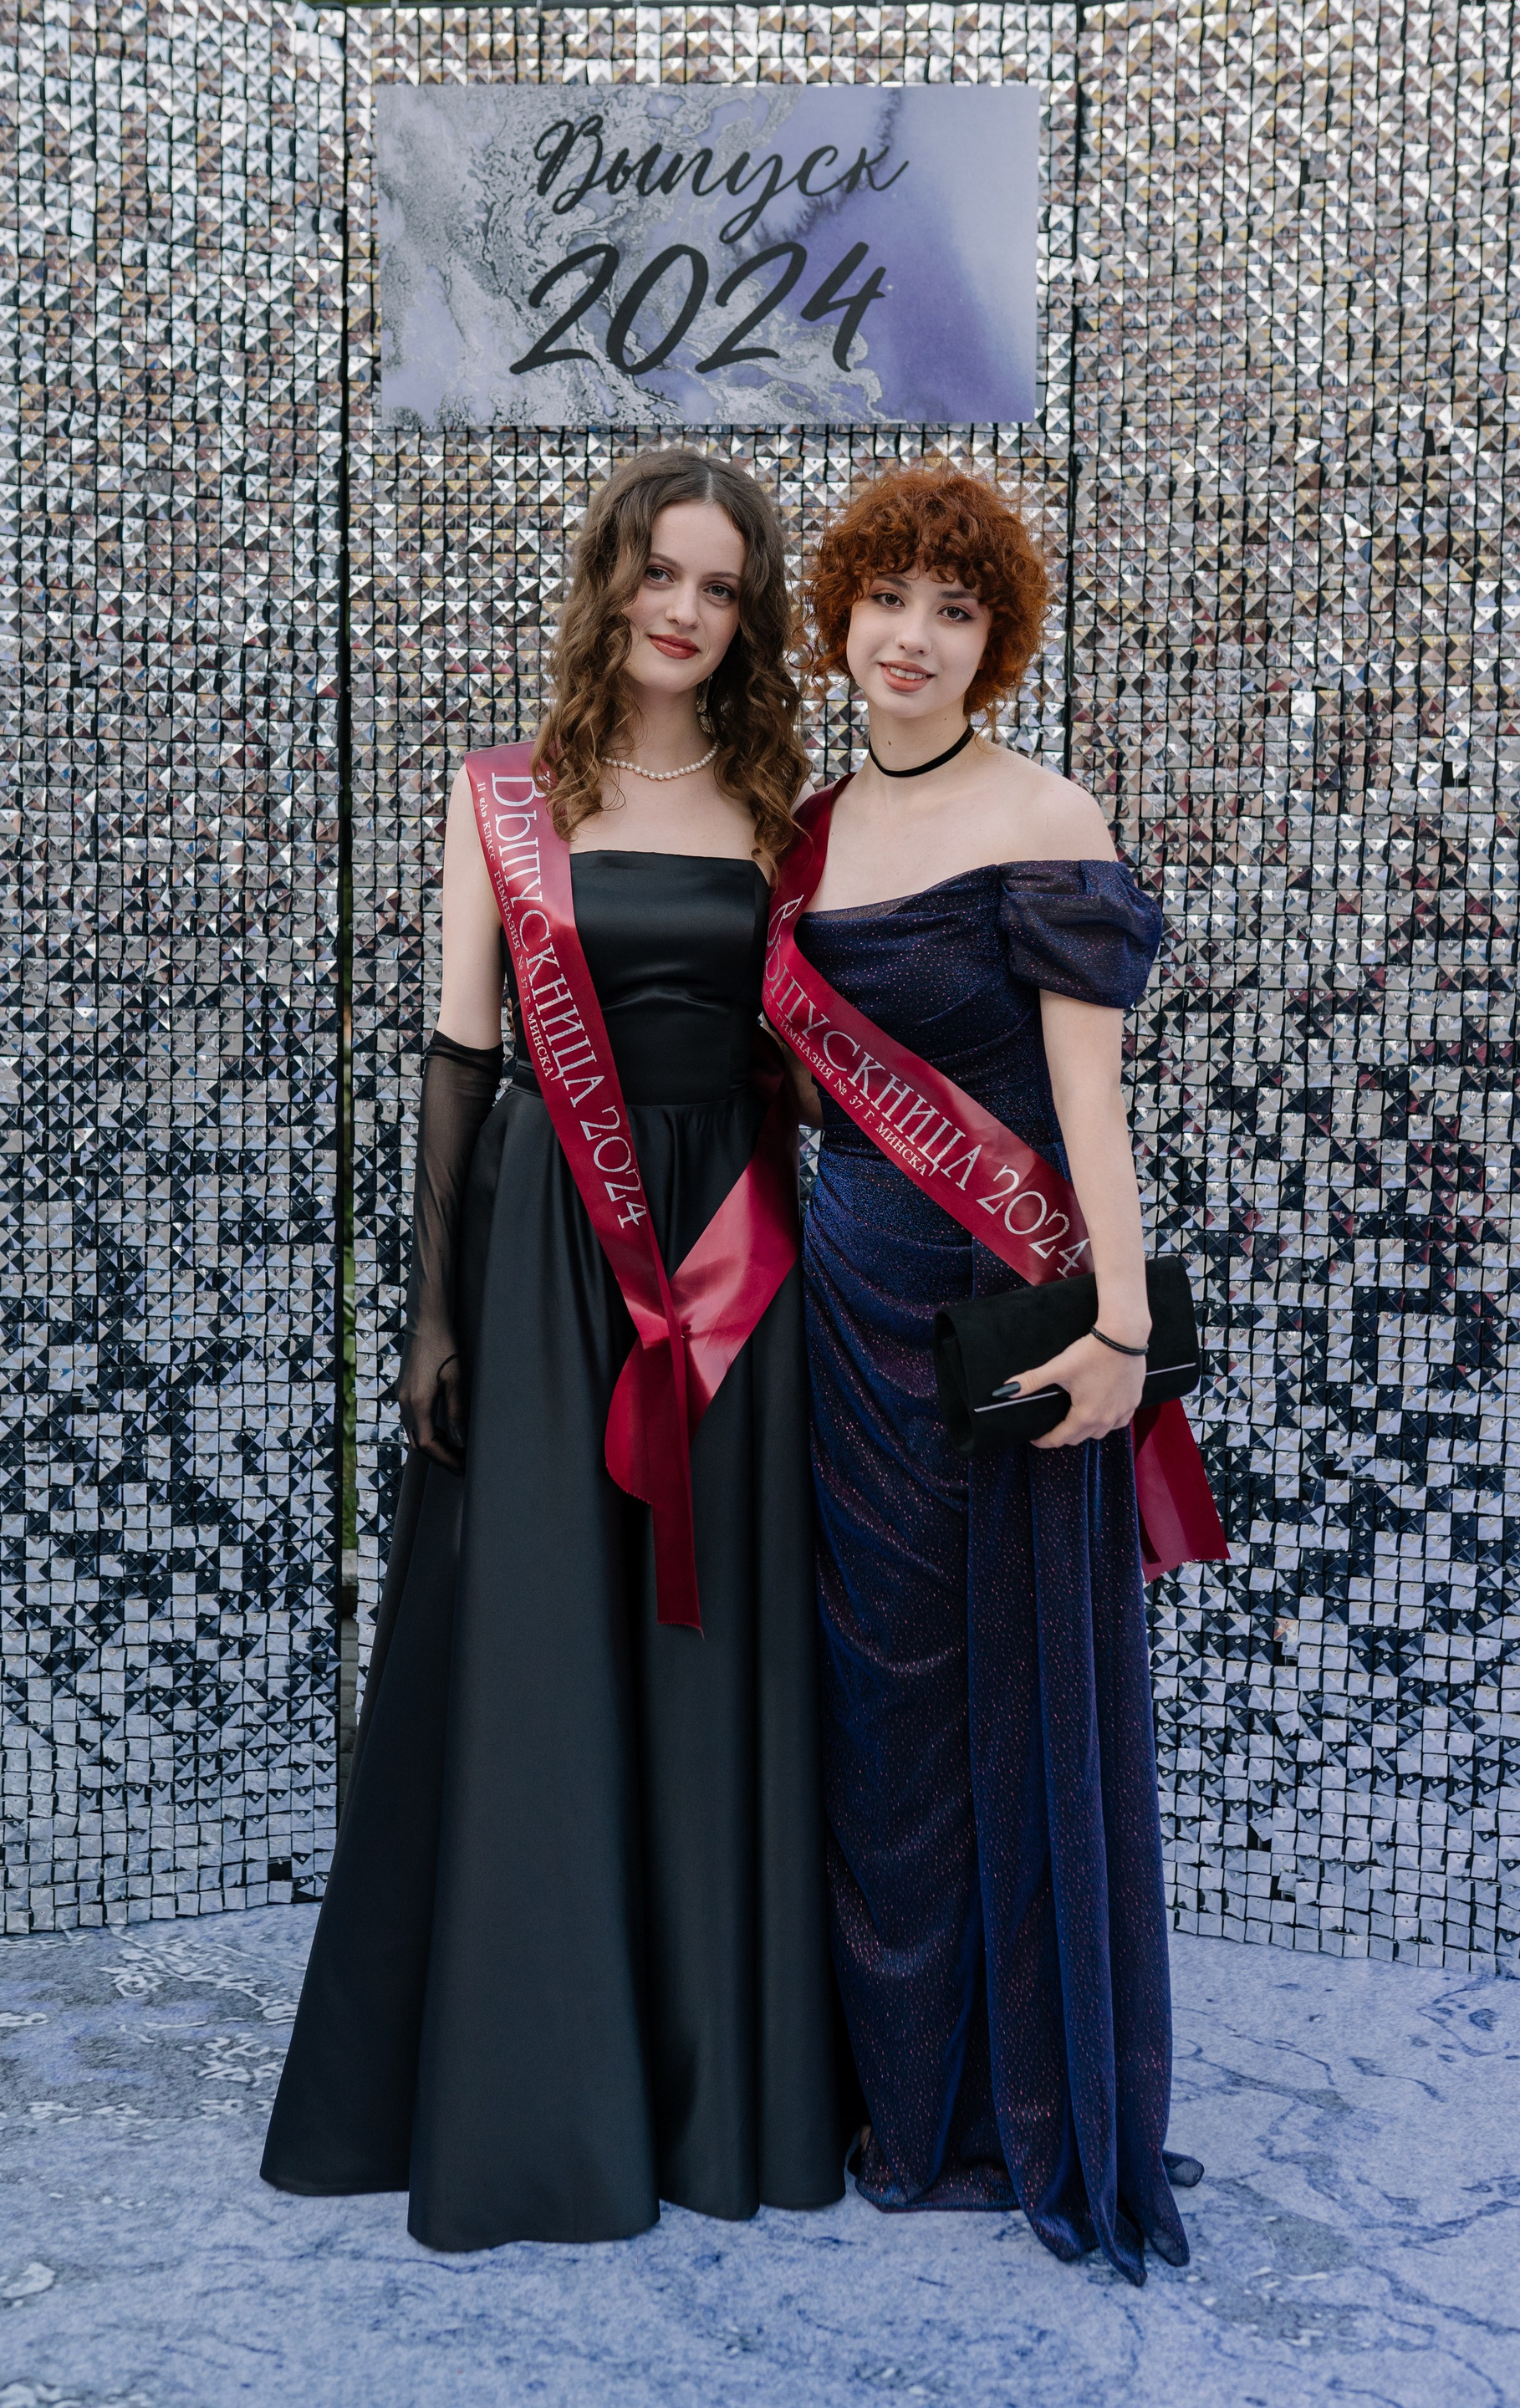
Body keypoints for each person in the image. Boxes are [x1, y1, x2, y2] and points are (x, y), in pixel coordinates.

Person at [261, 449, 845, 2251]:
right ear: (608, 582)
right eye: (661, 574)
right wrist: (435, 1312)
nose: (686, 610)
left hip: (733, 1259)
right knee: (542, 1640)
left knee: (709, 1643)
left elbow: (815, 1057)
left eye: (722, 587)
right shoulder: (506, 795)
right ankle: (542, 2097)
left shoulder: (781, 803)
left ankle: (714, 2090)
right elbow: (461, 1056)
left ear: (749, 616)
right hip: (549, 1252)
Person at [763, 464, 1215, 2285]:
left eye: (956, 610)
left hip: (1013, 1311)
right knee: (877, 1711)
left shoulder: (1047, 814)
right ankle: (900, 2091)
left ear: (995, 642)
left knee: (1020, 1693)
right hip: (848, 1314)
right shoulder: (804, 834)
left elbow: (1090, 1105)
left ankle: (1025, 2101)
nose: (914, 636)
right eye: (889, 598)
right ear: (843, 617)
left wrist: (1124, 1330)